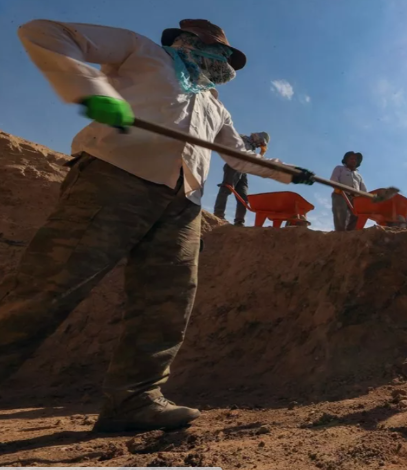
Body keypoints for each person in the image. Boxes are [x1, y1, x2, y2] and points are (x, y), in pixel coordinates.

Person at [3, 18, 315, 433]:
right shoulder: (142, 52)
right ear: (190, 42)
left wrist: (291, 173)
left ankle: (133, 400)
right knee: (49, 286)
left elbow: (239, 157)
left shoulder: (215, 104)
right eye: (218, 52)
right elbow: (41, 31)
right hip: (114, 179)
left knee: (166, 303)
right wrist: (90, 90)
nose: (223, 62)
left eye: (226, 57)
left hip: (182, 204)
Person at [213, 132, 270, 226]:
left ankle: (239, 221)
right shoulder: (242, 138)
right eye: (261, 142)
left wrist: (262, 153)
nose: (260, 145)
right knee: (226, 189)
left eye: (262, 144)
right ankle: (218, 215)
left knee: (243, 198)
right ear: (258, 138)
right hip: (234, 165)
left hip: (243, 170)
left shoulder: (252, 148)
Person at [330, 151, 366, 231]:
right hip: (340, 194)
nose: (353, 160)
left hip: (355, 198)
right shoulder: (339, 168)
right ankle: (340, 233)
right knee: (341, 212)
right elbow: (333, 179)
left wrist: (365, 197)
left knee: (357, 214)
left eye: (355, 159)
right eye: (351, 158)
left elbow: (363, 190)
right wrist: (338, 188)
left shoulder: (358, 176)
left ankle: (350, 233)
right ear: (346, 160)